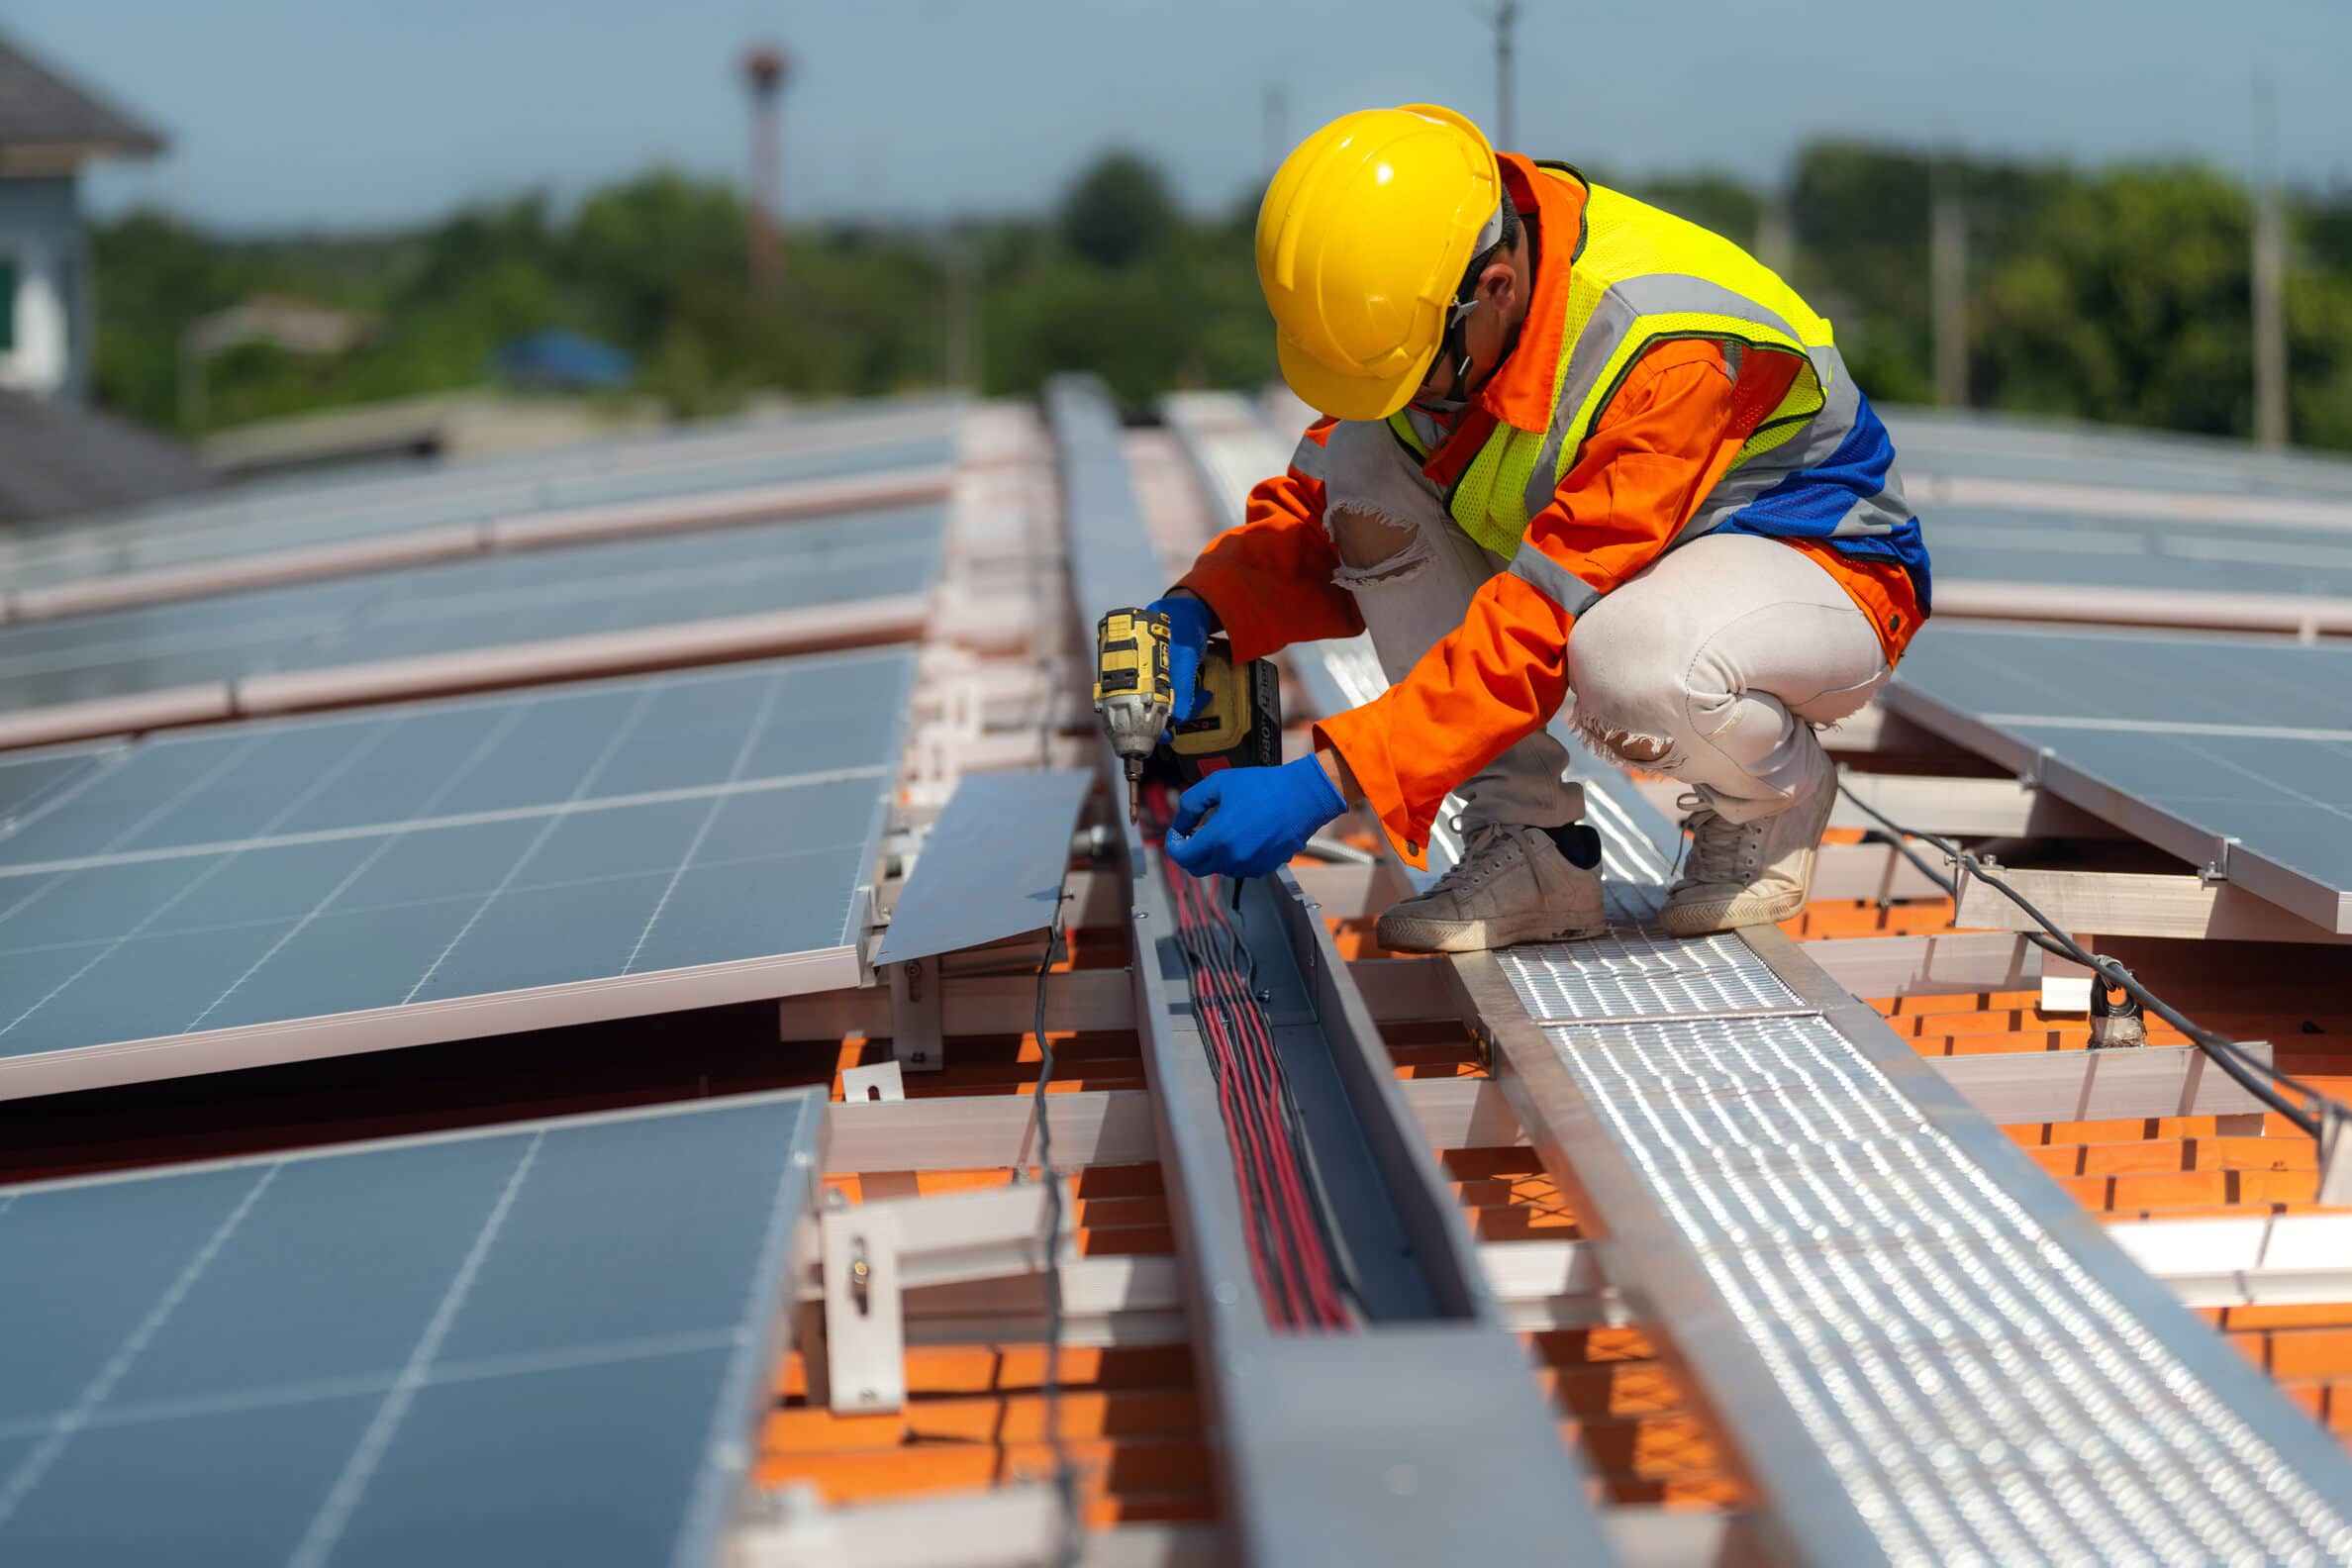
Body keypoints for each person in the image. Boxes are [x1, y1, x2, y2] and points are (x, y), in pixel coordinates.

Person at [1155, 103, 1930, 952]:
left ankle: (1773, 800)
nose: (1409, 400)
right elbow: (1320, 517)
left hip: (1818, 564)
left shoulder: (1661, 352)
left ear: (1495, 289)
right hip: (1644, 567)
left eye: (1414, 376)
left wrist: (1328, 781)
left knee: (1630, 664)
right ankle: (1531, 850)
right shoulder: (1434, 301)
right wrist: (1201, 610)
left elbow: (1539, 626)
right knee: (1365, 458)